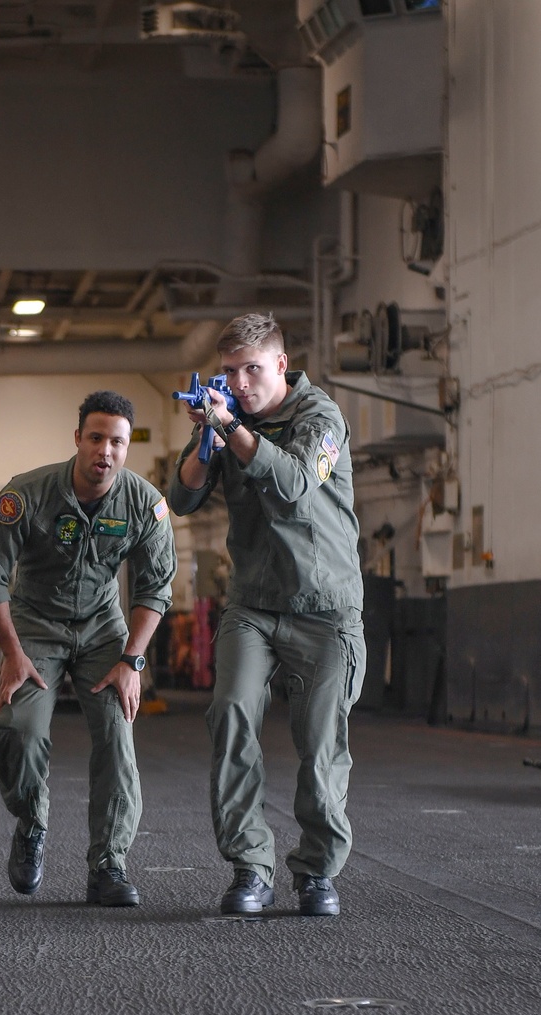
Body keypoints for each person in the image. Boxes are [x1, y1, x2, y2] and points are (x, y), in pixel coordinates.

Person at [167, 314, 366, 918]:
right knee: (229, 714)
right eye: (230, 371)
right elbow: (181, 497)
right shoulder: (226, 413)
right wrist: (207, 441)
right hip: (253, 604)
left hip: (324, 607)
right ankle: (250, 866)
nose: (240, 382)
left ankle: (316, 872)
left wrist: (230, 428)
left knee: (320, 741)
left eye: (251, 369)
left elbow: (297, 484)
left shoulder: (320, 417)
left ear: (280, 364)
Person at [0, 391, 177, 907]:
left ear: (128, 449)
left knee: (116, 733)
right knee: (20, 730)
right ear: (77, 439)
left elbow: (156, 587)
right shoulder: (26, 495)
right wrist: (13, 653)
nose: (106, 451)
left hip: (104, 630)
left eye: (119, 442)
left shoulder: (144, 503)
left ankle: (109, 862)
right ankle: (31, 822)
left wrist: (132, 661)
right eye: (97, 438)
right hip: (35, 628)